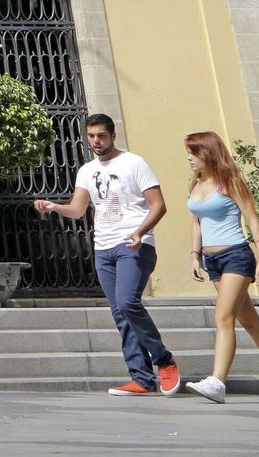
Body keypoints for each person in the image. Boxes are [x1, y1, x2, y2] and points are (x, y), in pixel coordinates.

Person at [33, 114, 181, 397]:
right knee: (119, 314)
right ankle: (141, 378)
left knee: (127, 303)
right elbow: (77, 210)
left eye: (101, 136)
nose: (96, 142)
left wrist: (140, 232)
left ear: (112, 135)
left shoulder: (134, 163)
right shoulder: (87, 170)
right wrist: (53, 206)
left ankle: (163, 359)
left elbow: (159, 205)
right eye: (90, 136)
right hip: (103, 248)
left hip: (134, 245)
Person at [181, 131, 259, 404]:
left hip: (236, 256)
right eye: (188, 153)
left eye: (194, 153)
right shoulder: (195, 182)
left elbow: (252, 220)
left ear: (208, 153)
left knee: (223, 318)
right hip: (212, 260)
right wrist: (195, 256)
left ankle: (217, 381)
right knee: (251, 323)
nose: (189, 158)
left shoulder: (231, 182)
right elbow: (197, 222)